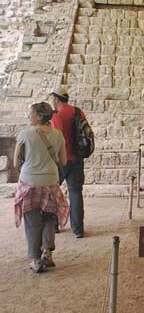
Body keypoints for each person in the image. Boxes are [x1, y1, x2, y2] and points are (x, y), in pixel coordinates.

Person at [14, 102, 68, 273]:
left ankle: (35, 259)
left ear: (38, 116)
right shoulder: (58, 135)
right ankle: (47, 252)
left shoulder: (24, 134)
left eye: (31, 113)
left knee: (32, 223)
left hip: (29, 183)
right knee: (50, 219)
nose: (29, 116)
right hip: (51, 182)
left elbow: (16, 162)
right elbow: (63, 161)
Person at [49, 86, 88, 238]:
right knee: (76, 193)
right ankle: (78, 229)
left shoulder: (56, 115)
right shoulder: (78, 112)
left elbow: (57, 138)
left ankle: (54, 226)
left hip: (61, 160)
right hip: (77, 158)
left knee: (52, 192)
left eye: (53, 98)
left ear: (57, 98)